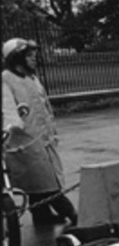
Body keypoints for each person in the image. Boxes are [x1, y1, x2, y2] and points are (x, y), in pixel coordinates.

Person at [2, 38, 78, 226]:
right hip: (23, 141)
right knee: (46, 182)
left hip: (42, 137)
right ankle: (74, 215)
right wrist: (12, 128)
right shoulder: (5, 79)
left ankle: (41, 216)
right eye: (29, 55)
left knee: (38, 182)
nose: (34, 58)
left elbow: (44, 106)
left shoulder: (32, 78)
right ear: (17, 58)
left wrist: (52, 131)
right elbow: (8, 108)